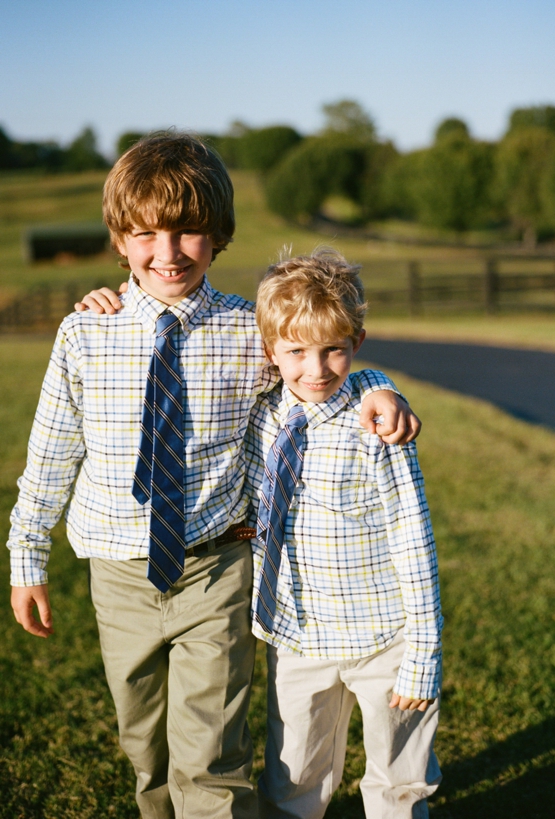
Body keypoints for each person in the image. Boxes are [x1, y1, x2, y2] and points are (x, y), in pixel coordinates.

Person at [7, 133, 420, 819]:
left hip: (216, 564)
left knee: (213, 752)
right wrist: (28, 557)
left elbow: (314, 362)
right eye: (145, 234)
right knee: (144, 743)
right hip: (118, 574)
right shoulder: (84, 335)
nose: (166, 253)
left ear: (218, 235)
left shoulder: (246, 329)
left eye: (189, 232)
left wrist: (376, 383)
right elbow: (49, 454)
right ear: (119, 239)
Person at [244, 249, 443, 819]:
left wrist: (423, 651)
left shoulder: (375, 424)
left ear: (356, 342)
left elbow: (413, 535)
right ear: (271, 352)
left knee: (400, 778)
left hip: (383, 635)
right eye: (297, 352)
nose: (317, 368)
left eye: (333, 348)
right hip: (297, 634)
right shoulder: (263, 417)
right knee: (292, 777)